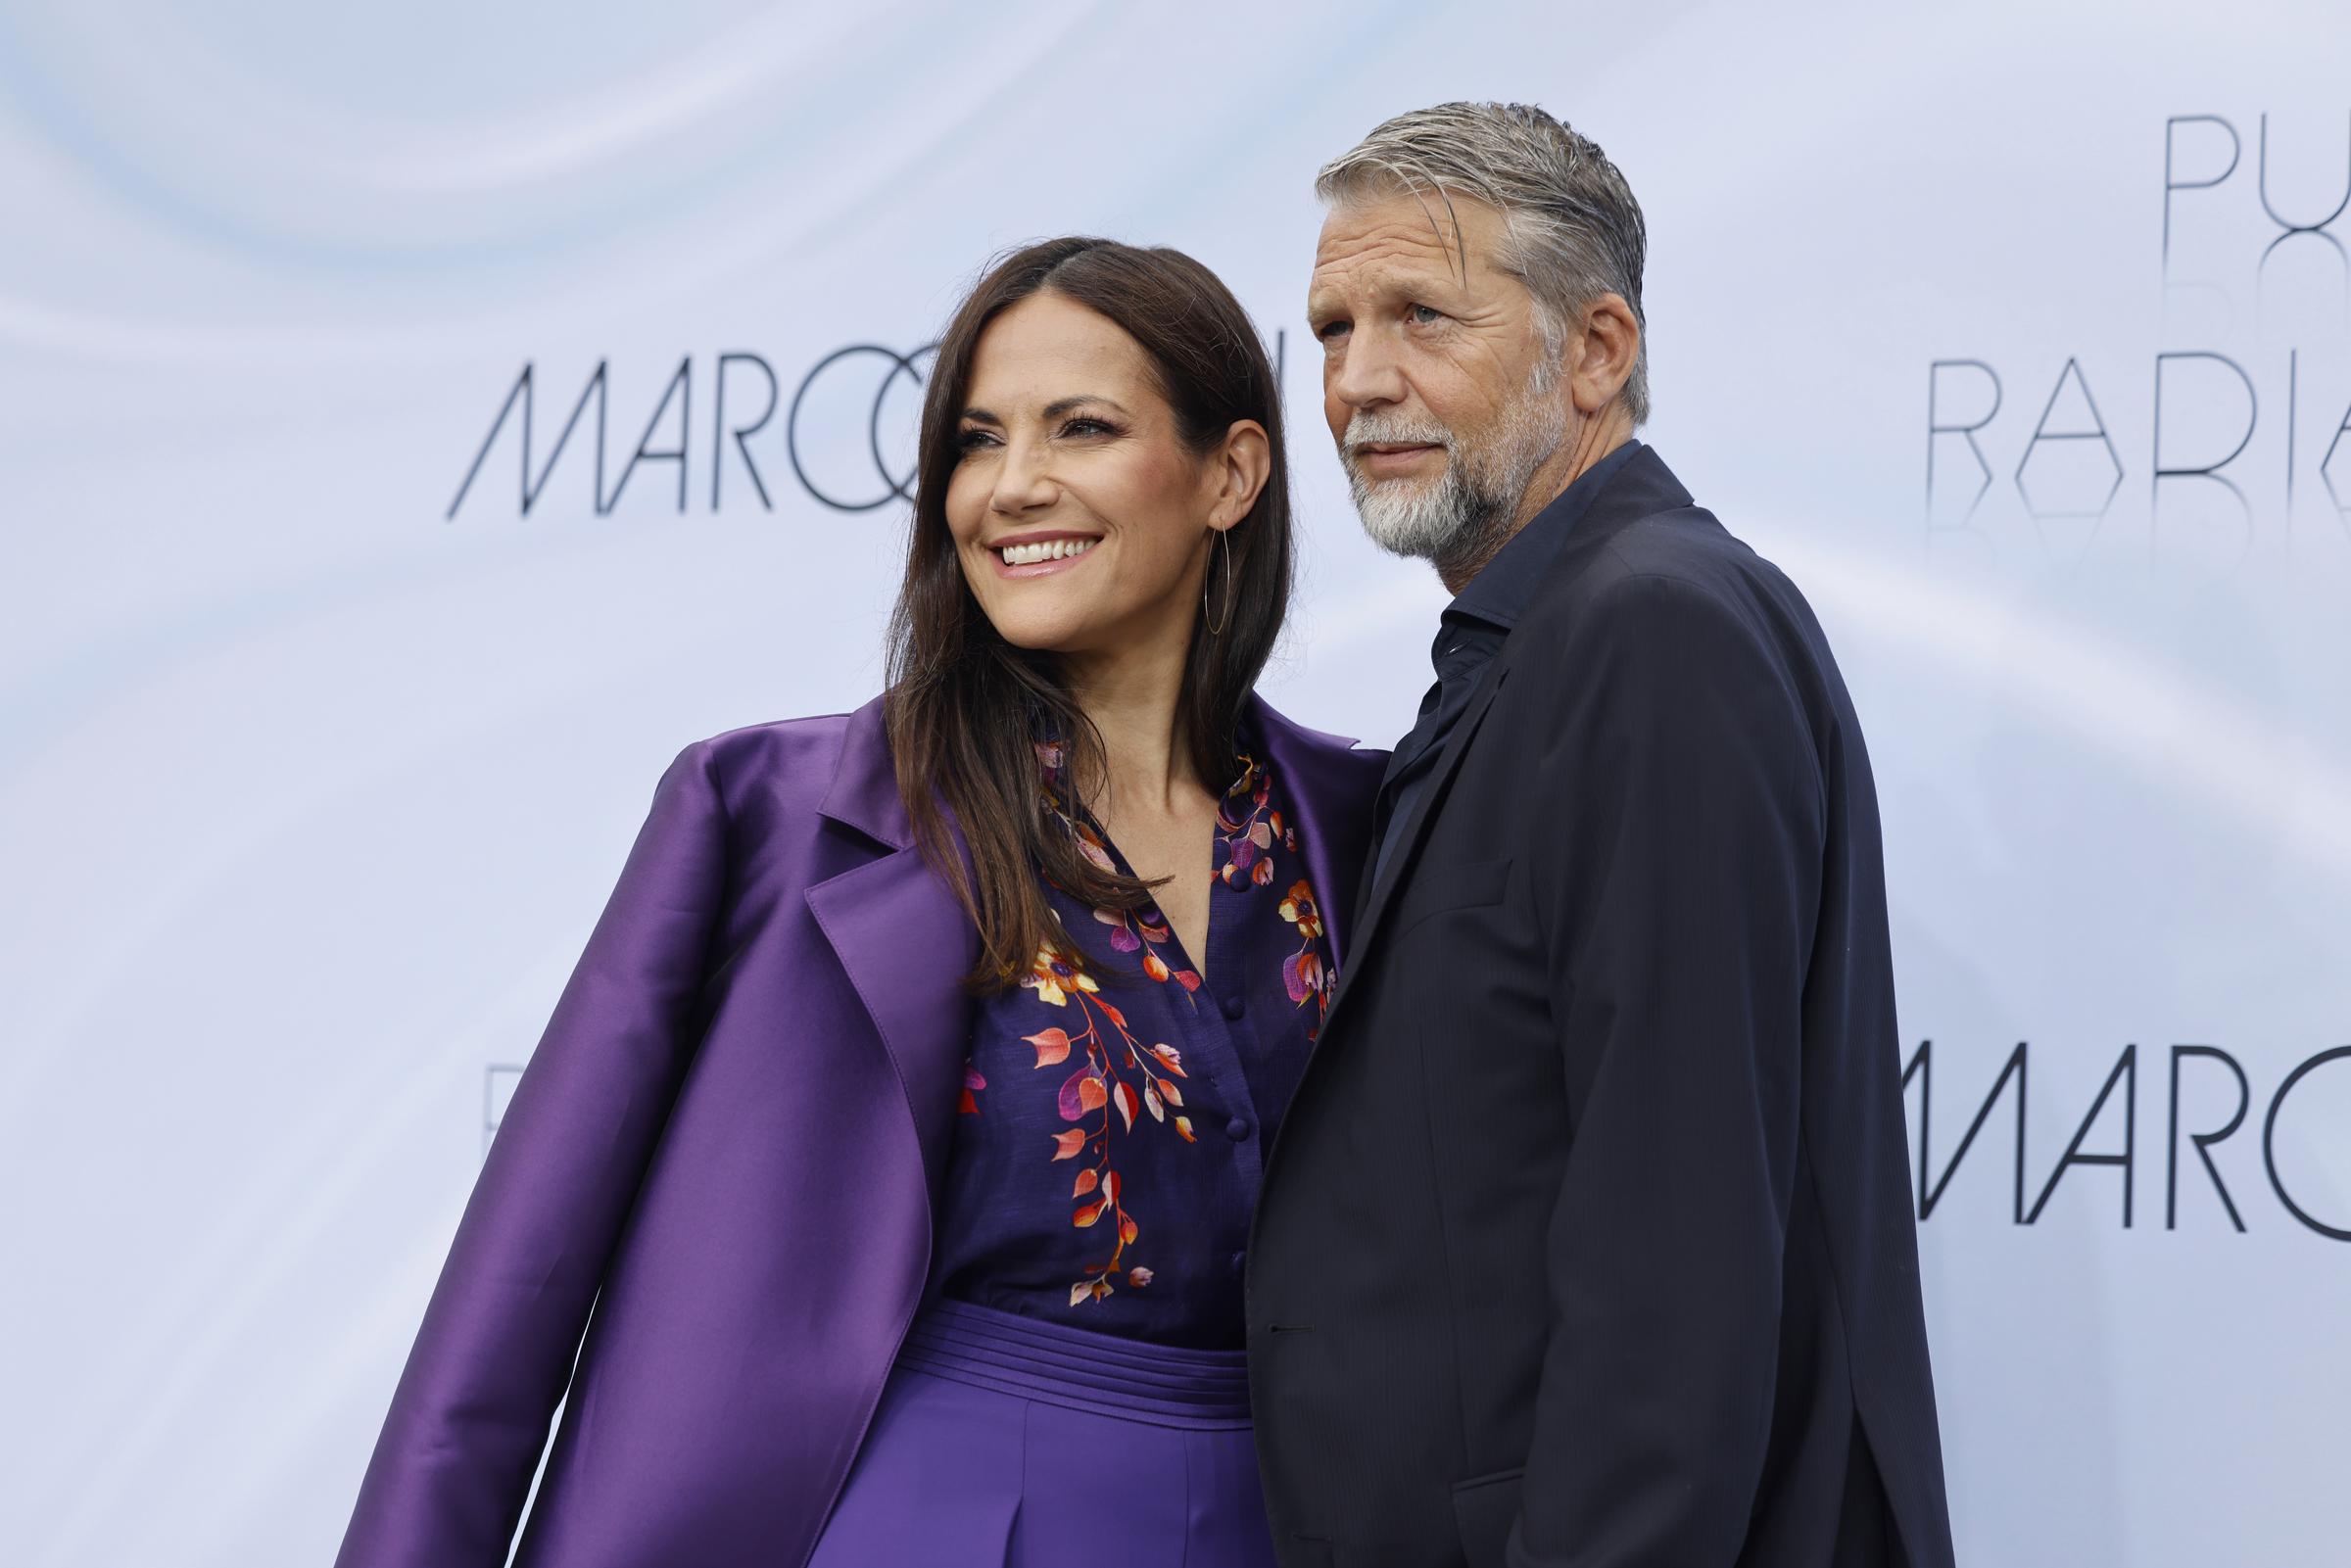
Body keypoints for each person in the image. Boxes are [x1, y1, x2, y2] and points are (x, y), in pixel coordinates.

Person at [334, 236, 1384, 1568]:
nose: (1013, 487)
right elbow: (512, 1297)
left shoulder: (1359, 826)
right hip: (936, 1522)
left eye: (1082, 428)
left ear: (1231, 471)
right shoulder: (767, 816)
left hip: (1293, 1520)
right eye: (975, 440)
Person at [1245, 102, 1959, 1568]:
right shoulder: (1557, 636)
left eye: (1421, 317)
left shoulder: (1653, 633)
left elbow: (1674, 1263)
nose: (1357, 382)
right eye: (1329, 329)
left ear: (1598, 351)